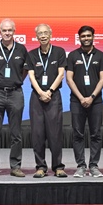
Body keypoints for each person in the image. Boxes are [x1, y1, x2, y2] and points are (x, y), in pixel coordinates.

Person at [0, 18, 28, 178]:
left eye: (10, 30)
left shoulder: (21, 49)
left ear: (14, 31)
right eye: (4, 30)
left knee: (16, 133)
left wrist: (15, 81)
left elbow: (24, 71)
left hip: (16, 93)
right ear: (0, 32)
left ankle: (15, 167)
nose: (7, 33)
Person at [66, 25, 103, 178]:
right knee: (78, 134)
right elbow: (69, 79)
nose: (86, 38)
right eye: (83, 36)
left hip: (95, 101)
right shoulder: (72, 55)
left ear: (93, 37)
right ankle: (81, 166)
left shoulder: (100, 55)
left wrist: (91, 97)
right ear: (79, 38)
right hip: (76, 101)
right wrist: (81, 98)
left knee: (95, 134)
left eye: (88, 36)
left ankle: (94, 166)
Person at [26, 24, 67, 178]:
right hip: (37, 97)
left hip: (53, 96)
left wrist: (49, 91)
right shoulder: (31, 54)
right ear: (36, 36)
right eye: (40, 33)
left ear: (50, 34)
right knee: (37, 134)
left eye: (45, 33)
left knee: (55, 133)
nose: (43, 36)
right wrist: (41, 92)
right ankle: (41, 167)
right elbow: (31, 76)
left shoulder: (59, 52)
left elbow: (61, 74)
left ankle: (58, 167)